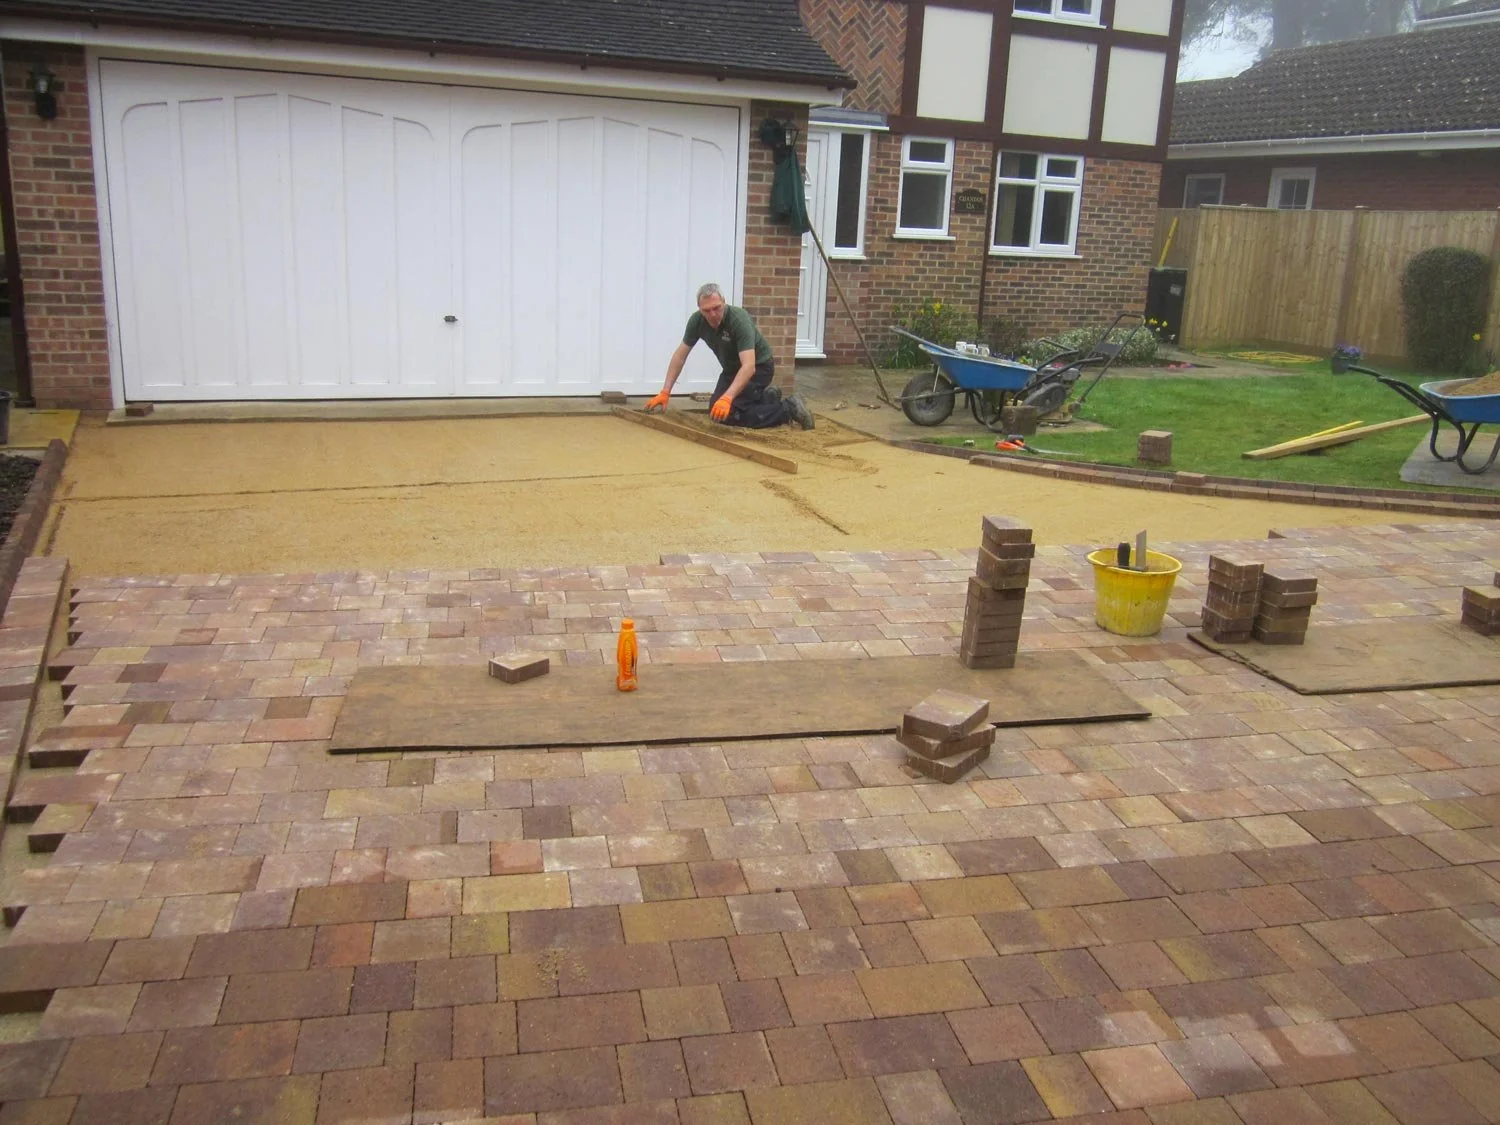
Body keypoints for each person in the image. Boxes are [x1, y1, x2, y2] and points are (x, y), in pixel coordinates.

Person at [644, 283, 814, 430]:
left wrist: (728, 397)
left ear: (724, 303)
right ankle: (767, 398)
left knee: (730, 415)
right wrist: (665, 392)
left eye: (716, 308)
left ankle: (789, 408)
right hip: (732, 370)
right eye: (706, 310)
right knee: (716, 413)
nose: (712, 314)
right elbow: (680, 356)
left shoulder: (739, 320)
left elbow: (749, 366)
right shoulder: (696, 322)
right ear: (700, 309)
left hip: (759, 368)